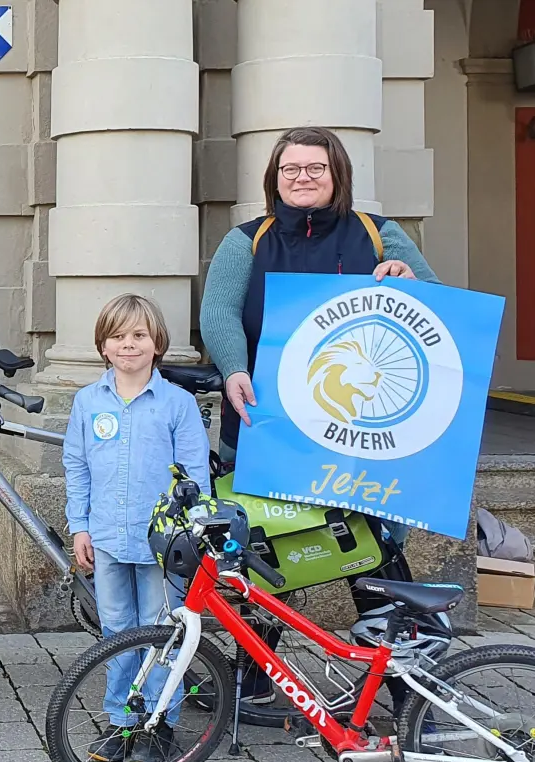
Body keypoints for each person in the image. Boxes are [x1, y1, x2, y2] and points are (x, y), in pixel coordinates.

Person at [198, 125, 441, 707]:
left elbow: (438, 307)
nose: (301, 177)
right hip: (265, 425)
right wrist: (233, 368)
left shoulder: (379, 235)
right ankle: (256, 676)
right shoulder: (246, 241)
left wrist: (412, 284)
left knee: (373, 552)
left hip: (361, 435)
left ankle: (407, 688)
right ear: (274, 178)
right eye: (290, 169)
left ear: (338, 176)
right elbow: (218, 312)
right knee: (263, 549)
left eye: (315, 168)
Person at [63, 293, 210, 762]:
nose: (129, 345)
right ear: (103, 346)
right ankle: (122, 718)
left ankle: (160, 722)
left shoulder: (177, 404)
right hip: (107, 537)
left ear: (157, 343)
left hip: (161, 546)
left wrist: (190, 535)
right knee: (116, 630)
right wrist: (80, 527)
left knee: (160, 632)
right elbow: (77, 467)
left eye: (139, 335)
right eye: (118, 337)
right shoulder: (88, 402)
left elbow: (194, 476)